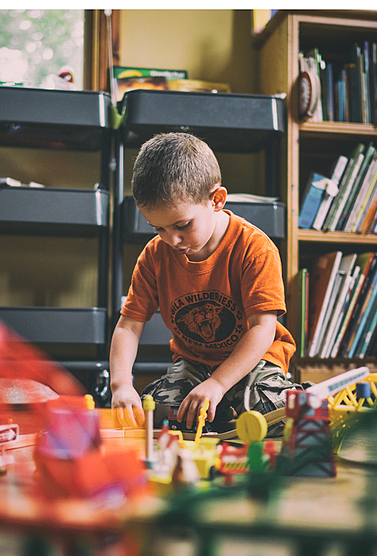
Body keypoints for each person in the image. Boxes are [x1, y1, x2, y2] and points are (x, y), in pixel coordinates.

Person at [109, 132, 299, 434]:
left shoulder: (255, 248)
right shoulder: (154, 255)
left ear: (216, 200)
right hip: (194, 364)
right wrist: (120, 385)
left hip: (255, 361)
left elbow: (262, 329)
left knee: (277, 419)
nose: (171, 240)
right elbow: (128, 326)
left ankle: (282, 396)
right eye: (158, 228)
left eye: (182, 225)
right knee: (159, 416)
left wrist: (219, 383)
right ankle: (221, 412)